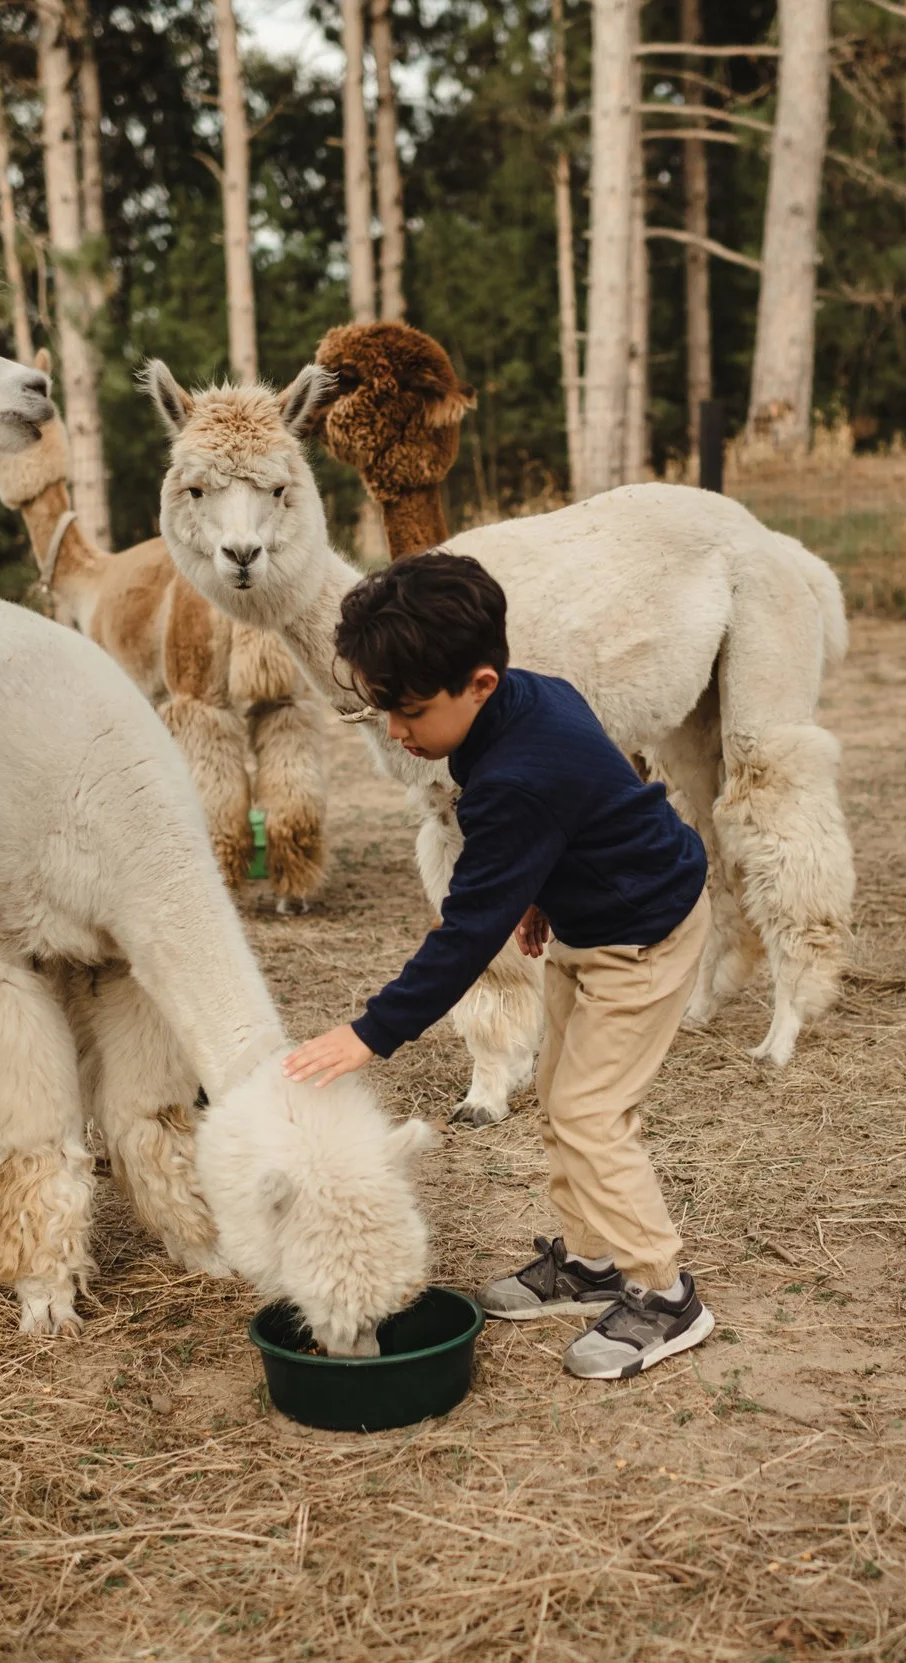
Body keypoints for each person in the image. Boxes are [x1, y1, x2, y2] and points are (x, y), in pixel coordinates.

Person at [283, 554, 716, 1379]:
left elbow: (463, 934)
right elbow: (579, 806)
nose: (395, 732)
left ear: (479, 683)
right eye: (380, 709)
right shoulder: (527, 701)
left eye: (408, 711)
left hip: (644, 937)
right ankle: (591, 1263)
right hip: (589, 925)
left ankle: (664, 1292)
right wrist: (537, 888)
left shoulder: (518, 773)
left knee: (592, 1112)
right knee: (558, 1095)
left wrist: (372, 1033)